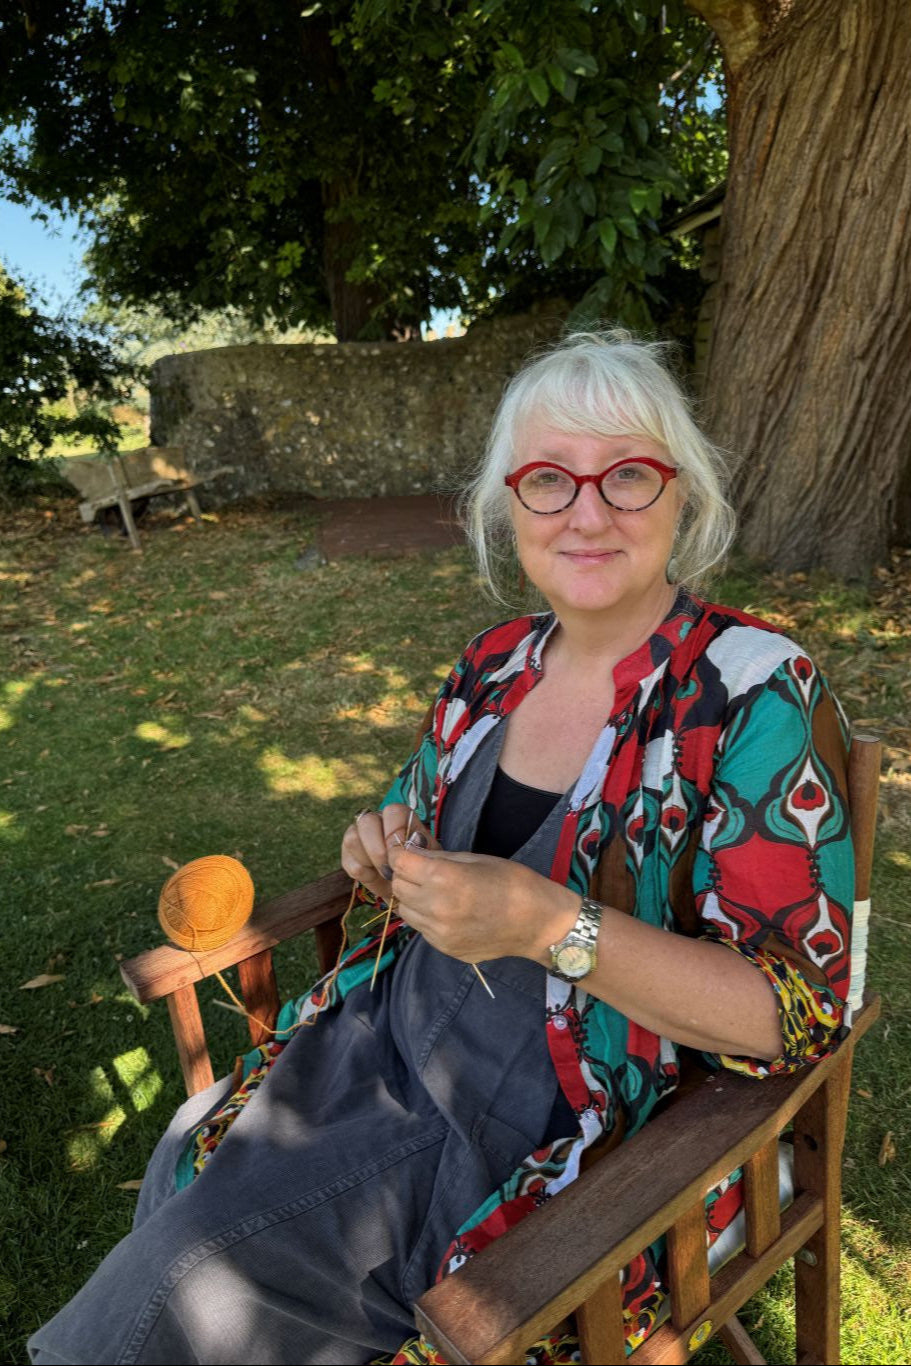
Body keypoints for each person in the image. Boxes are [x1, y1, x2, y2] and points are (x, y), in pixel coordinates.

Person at [29, 332, 853, 1366]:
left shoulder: (745, 687)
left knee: (176, 1280)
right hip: (377, 1047)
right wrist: (374, 842)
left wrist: (553, 924)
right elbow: (399, 823)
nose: (586, 512)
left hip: (563, 1125)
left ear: (679, 495)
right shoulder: (493, 665)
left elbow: (796, 1013)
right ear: (509, 507)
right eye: (548, 480)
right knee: (189, 1162)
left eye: (627, 475)